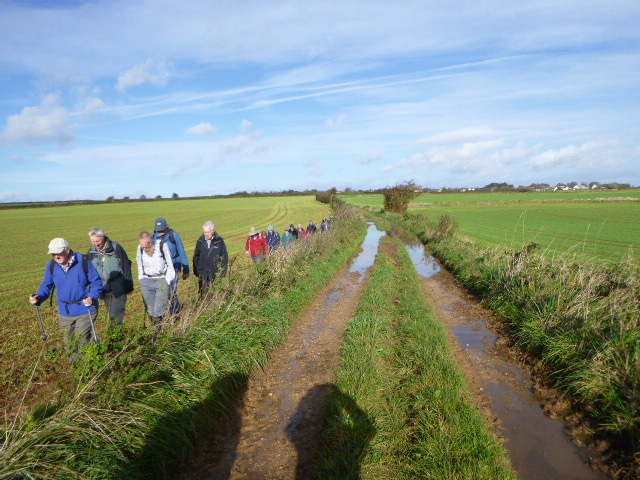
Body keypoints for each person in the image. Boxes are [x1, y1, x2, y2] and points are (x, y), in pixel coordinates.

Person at [29, 238, 103, 359]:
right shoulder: (52, 265)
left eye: (58, 253)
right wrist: (39, 296)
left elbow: (97, 283)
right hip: (65, 311)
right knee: (70, 343)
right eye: (53, 254)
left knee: (83, 339)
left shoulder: (83, 261)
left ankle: (90, 368)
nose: (56, 257)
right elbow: (46, 285)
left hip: (85, 309)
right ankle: (77, 370)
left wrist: (92, 297)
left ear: (67, 250)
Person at [87, 227, 134, 325]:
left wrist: (129, 285)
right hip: (104, 290)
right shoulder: (91, 253)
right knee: (111, 315)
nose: (96, 244)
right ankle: (118, 337)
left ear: (103, 237)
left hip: (118, 288)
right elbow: (89, 272)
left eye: (98, 241)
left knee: (115, 317)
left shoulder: (115, 247)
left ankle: (117, 339)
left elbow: (126, 265)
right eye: (93, 242)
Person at [136, 231, 174, 340]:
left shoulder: (162, 246)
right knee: (151, 310)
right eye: (144, 247)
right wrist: (141, 277)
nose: (145, 249)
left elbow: (170, 264)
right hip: (146, 281)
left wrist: (167, 280)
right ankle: (155, 330)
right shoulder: (140, 249)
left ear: (151, 242)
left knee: (159, 308)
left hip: (161, 279)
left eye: (147, 247)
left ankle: (158, 334)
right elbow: (139, 262)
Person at [153, 217, 189, 315]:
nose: (161, 233)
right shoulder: (153, 238)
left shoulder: (174, 235)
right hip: (162, 270)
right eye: (159, 230)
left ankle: (175, 314)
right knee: (163, 292)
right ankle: (166, 313)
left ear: (166, 227)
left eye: (162, 230)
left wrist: (186, 270)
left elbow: (182, 252)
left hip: (174, 267)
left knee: (171, 291)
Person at [193, 221, 228, 294]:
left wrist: (223, 271)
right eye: (205, 232)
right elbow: (196, 256)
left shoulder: (220, 241)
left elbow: (224, 256)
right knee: (203, 293)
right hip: (203, 272)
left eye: (208, 232)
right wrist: (196, 270)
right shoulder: (200, 241)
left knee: (217, 293)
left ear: (213, 231)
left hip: (216, 272)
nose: (206, 234)